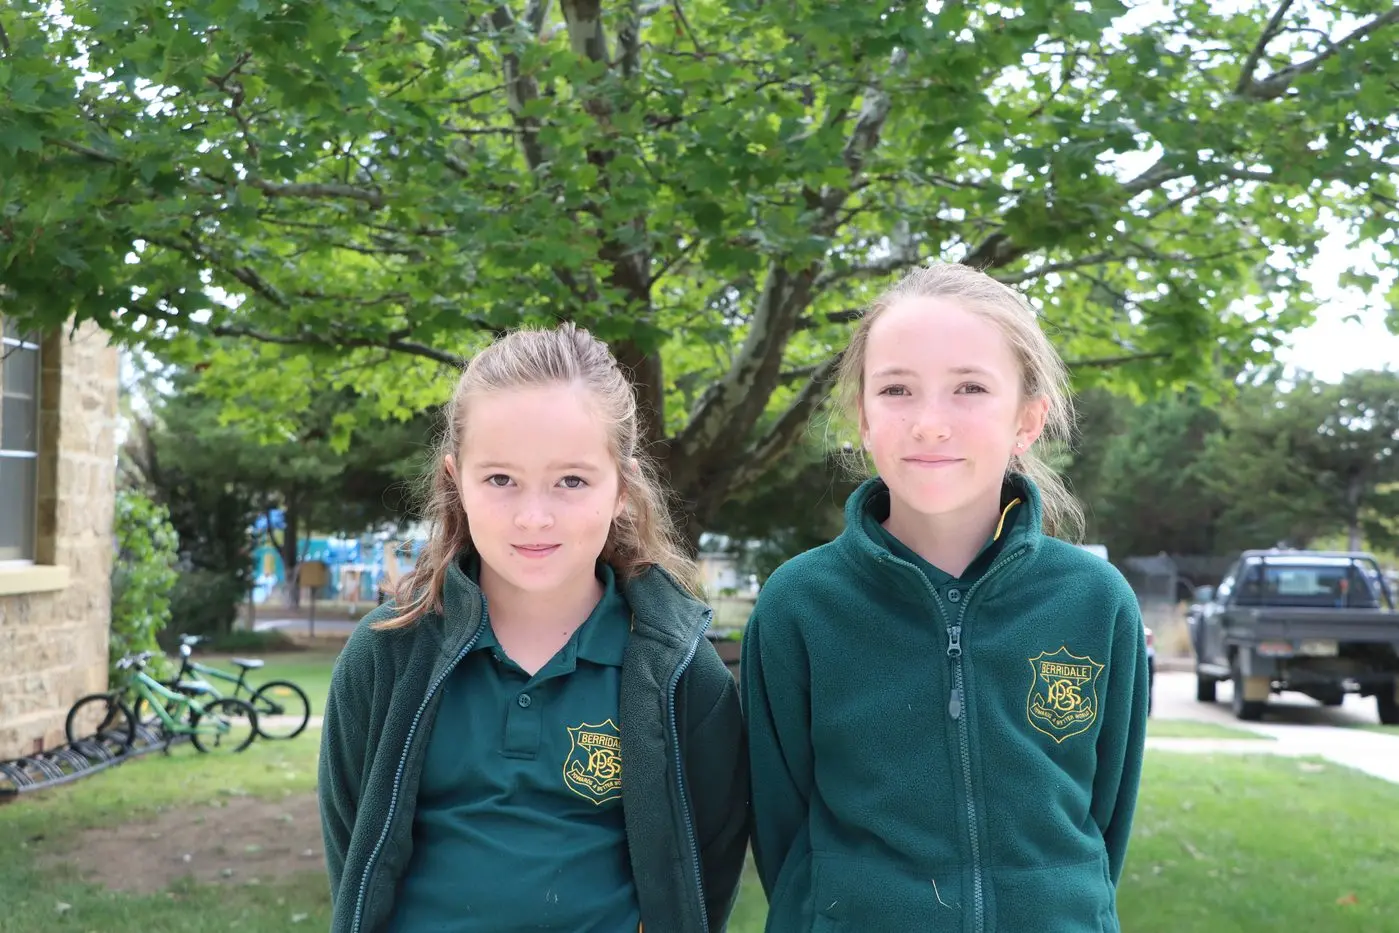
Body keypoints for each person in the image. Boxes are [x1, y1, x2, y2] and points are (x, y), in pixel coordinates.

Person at [742, 263, 1149, 933]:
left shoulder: (1094, 600)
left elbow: (1106, 815)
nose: (929, 423)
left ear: (1027, 418)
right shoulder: (800, 605)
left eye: (968, 387)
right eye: (897, 389)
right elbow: (782, 829)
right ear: (862, 418)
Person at [319, 323, 748, 933]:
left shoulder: (682, 672)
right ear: (456, 481)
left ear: (622, 488)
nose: (534, 516)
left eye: (571, 480)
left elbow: (703, 876)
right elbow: (353, 850)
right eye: (500, 479)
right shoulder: (388, 652)